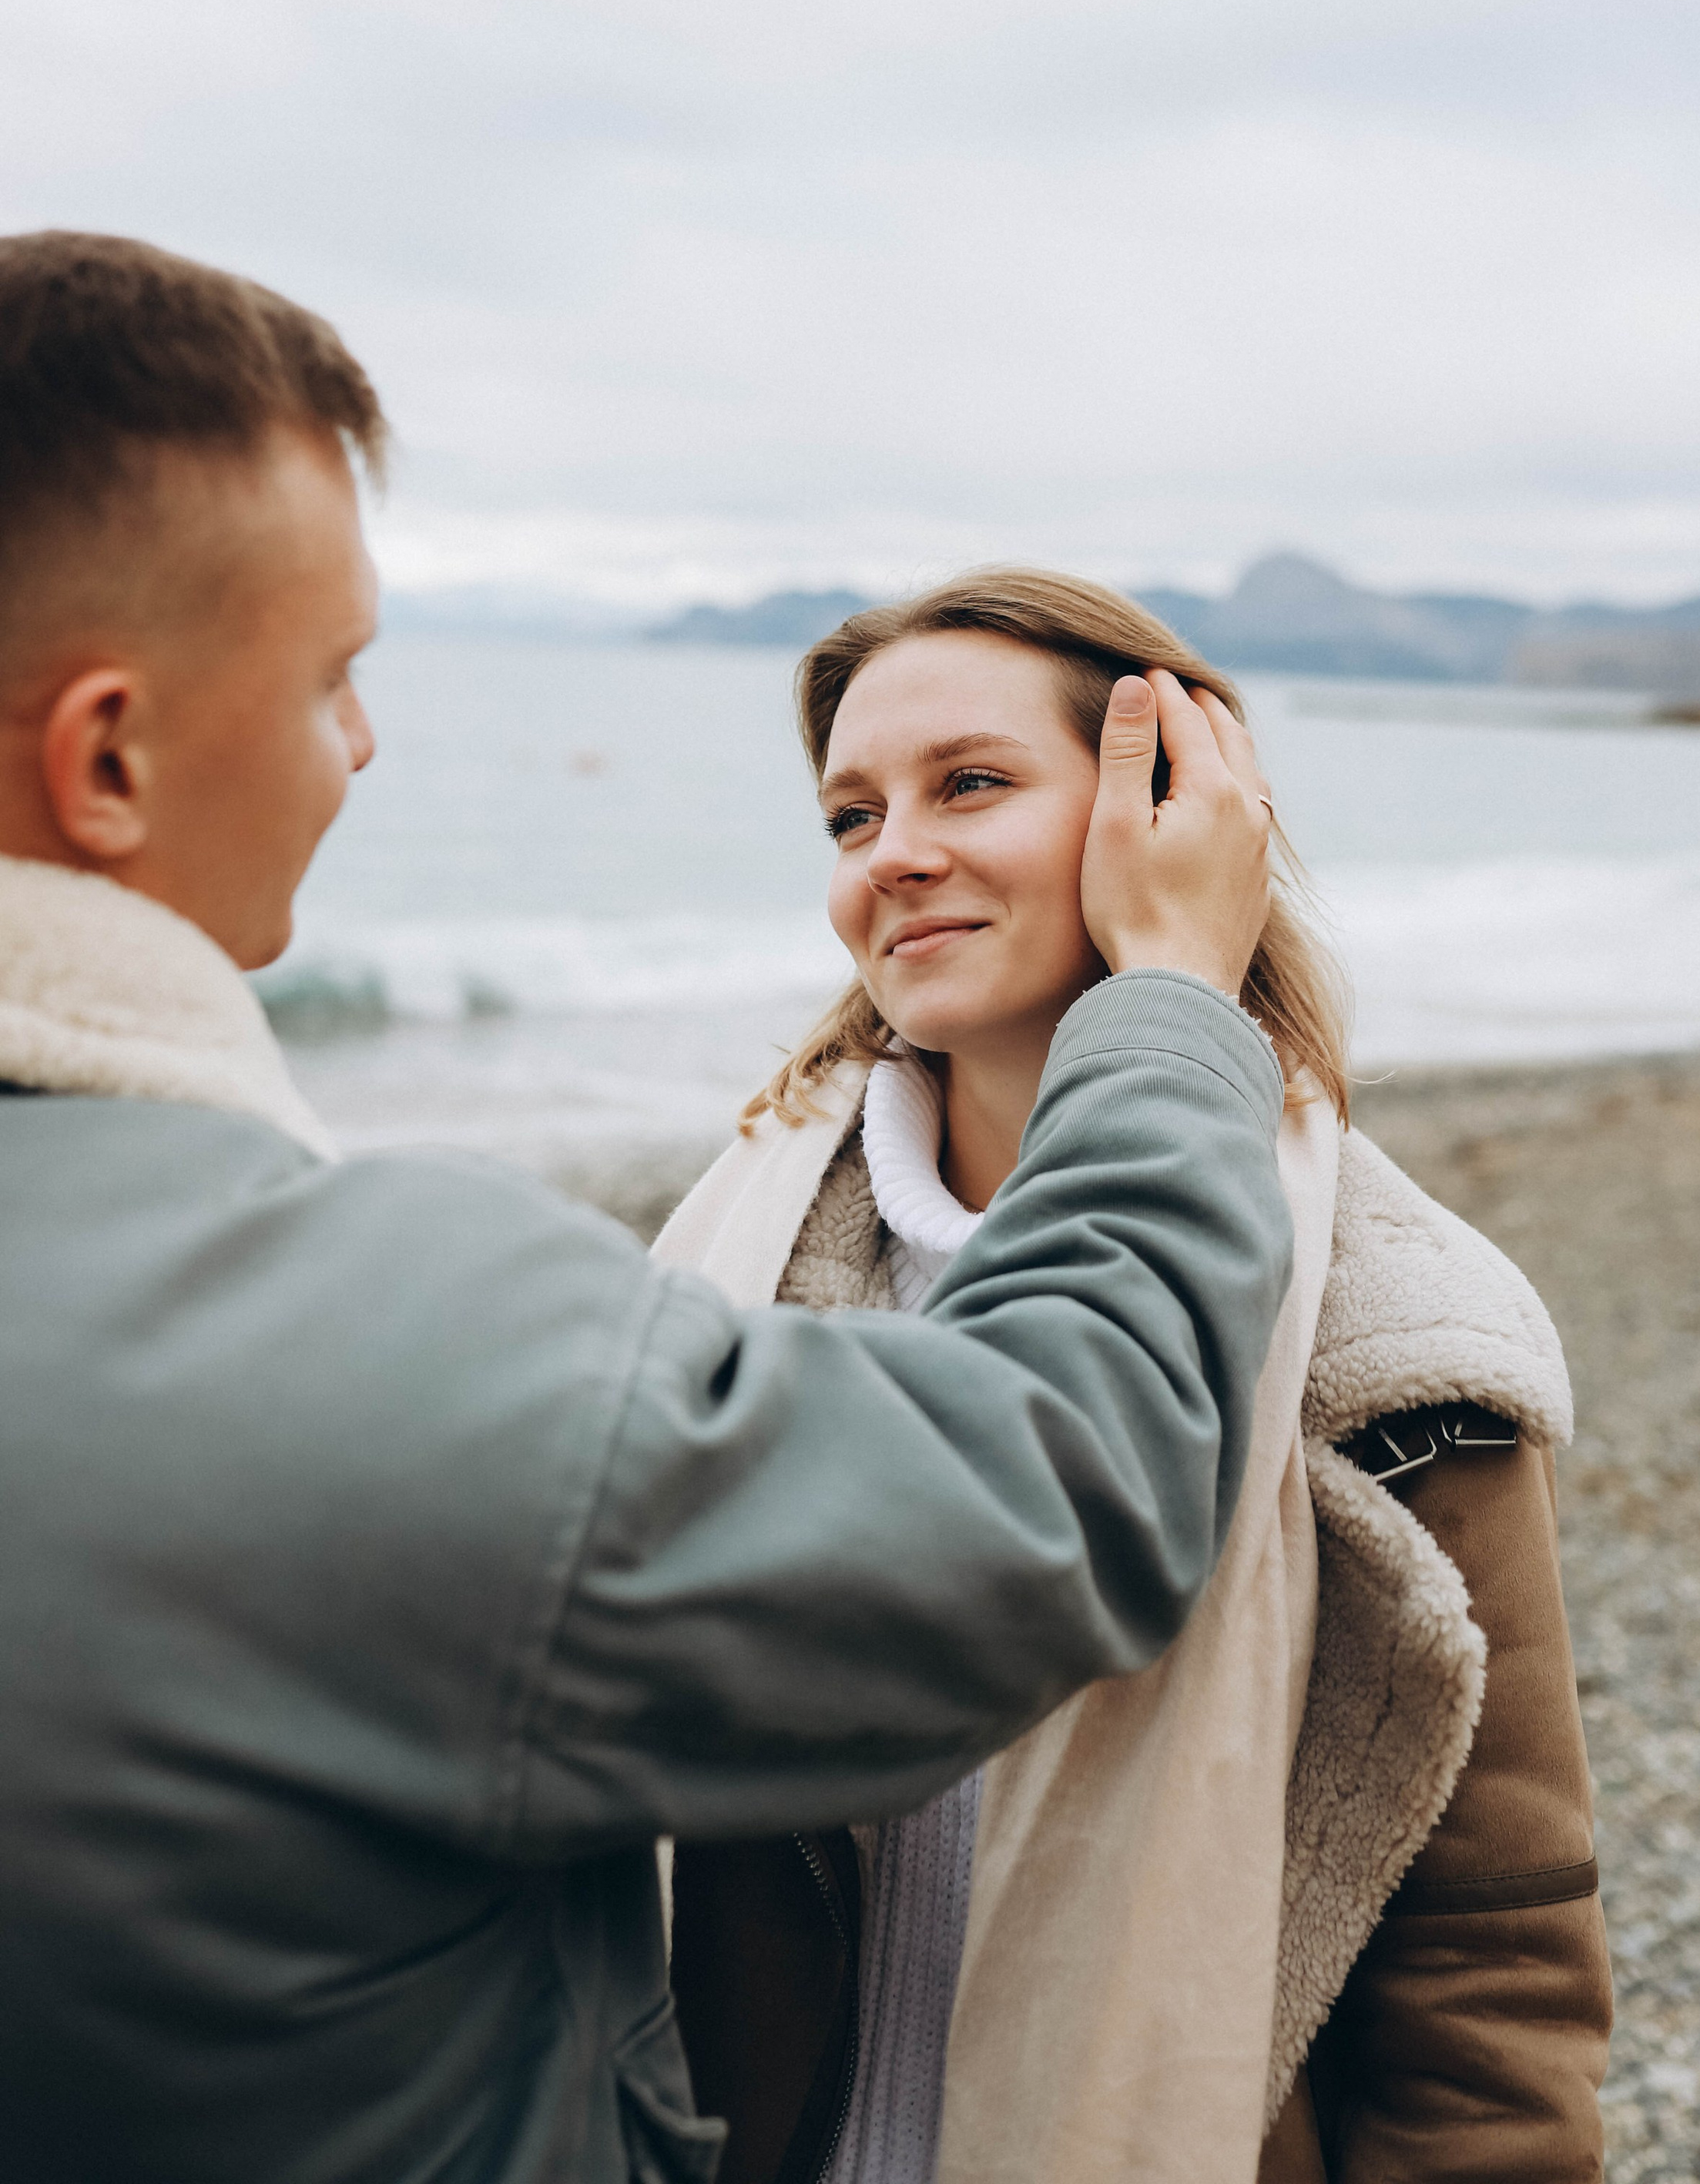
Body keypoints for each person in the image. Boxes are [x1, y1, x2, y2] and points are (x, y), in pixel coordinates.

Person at [0, 233, 1300, 2184]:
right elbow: (1051, 1486)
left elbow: (1487, 1927)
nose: (363, 742)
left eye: (970, 783)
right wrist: (1172, 1006)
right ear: (109, 755)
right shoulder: (381, 1348)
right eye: (336, 674)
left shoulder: (1398, 1317)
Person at [659, 572, 1614, 2184]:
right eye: (846, 816)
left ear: (1167, 810)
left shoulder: (1396, 1345)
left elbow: (1491, 1961)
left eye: (966, 785)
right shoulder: (722, 1284)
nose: (889, 855)